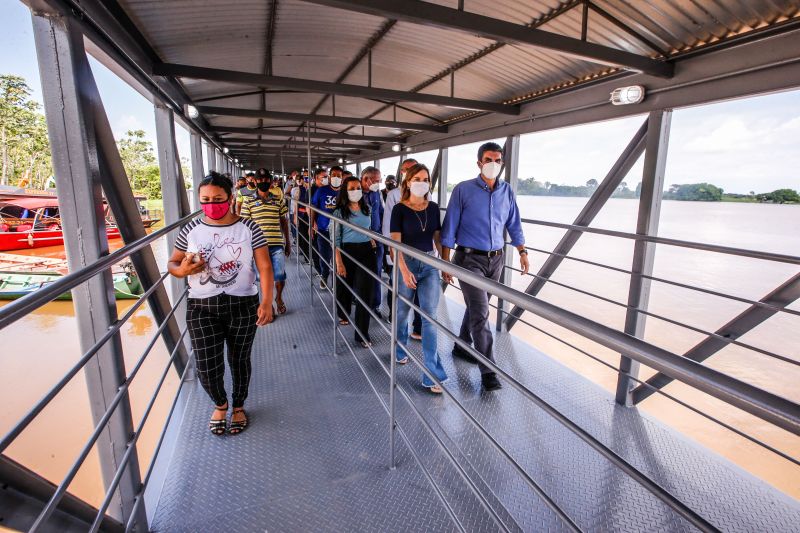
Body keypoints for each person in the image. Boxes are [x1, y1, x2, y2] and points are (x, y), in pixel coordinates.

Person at [168, 172, 274, 435]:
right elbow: (173, 263)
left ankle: (238, 405)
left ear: (230, 197)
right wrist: (183, 271)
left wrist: (267, 301)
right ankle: (220, 403)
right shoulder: (190, 230)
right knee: (206, 364)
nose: (211, 204)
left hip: (243, 304)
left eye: (217, 199)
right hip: (202, 307)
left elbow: (264, 265)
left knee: (239, 360)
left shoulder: (249, 228)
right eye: (205, 200)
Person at [441, 142, 529, 392]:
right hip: (469, 260)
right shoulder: (463, 190)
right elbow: (449, 227)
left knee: (477, 308)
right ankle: (488, 371)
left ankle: (461, 345)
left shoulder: (507, 191)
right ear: (479, 162)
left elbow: (514, 222)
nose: (494, 164)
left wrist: (522, 250)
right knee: (481, 313)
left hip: (496, 260)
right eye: (489, 159)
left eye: (498, 160)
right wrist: (445, 263)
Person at [390, 163, 447, 394]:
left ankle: (431, 374)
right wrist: (403, 270)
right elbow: (395, 243)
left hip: (430, 265)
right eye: (417, 178)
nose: (422, 182)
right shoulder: (399, 209)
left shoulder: (433, 208)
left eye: (425, 179)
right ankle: (400, 348)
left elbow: (437, 237)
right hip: (407, 262)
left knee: (430, 317)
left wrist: (444, 263)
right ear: (407, 182)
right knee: (402, 311)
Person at [240, 169, 291, 315]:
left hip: (276, 244)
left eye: (266, 180)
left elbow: (284, 221)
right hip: (257, 246)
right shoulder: (248, 201)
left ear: (271, 181)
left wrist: (288, 242)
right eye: (260, 180)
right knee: (263, 277)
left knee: (280, 275)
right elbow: (245, 226)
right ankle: (268, 304)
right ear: (255, 182)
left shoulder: (277, 200)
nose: (263, 182)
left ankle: (279, 298)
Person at [333, 176, 376, 348]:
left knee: (365, 293)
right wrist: (339, 262)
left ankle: (362, 334)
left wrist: (371, 238)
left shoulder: (367, 209)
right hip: (346, 250)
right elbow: (335, 239)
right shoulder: (339, 212)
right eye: (351, 188)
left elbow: (368, 228)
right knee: (344, 286)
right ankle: (343, 313)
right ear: (345, 191)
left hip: (366, 251)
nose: (356, 191)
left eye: (358, 187)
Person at [382, 158, 422, 336]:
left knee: (420, 290)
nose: (408, 172)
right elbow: (387, 226)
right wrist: (391, 252)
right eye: (405, 170)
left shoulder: (426, 195)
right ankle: (394, 317)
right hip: (399, 251)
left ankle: (418, 327)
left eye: (412, 169)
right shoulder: (394, 195)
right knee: (397, 287)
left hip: (421, 252)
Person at [310, 166, 342, 288]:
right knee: (324, 255)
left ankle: (336, 282)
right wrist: (311, 224)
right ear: (329, 176)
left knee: (338, 258)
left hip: (340, 231)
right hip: (324, 229)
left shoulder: (344, 192)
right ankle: (324, 274)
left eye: (339, 176)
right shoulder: (322, 190)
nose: (336, 178)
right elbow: (314, 207)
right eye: (334, 175)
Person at [360, 166, 384, 316]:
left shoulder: (377, 193)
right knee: (361, 272)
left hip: (377, 237)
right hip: (360, 239)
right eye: (376, 181)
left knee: (377, 272)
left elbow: (381, 212)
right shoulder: (354, 193)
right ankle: (360, 300)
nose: (378, 183)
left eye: (379, 181)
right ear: (366, 179)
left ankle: (375, 304)